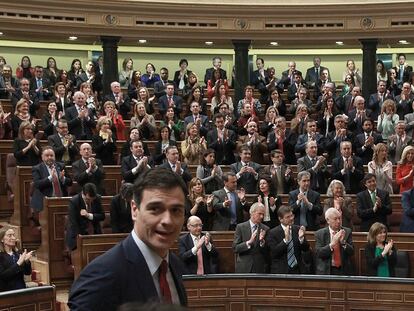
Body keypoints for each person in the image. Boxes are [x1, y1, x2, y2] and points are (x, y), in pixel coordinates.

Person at [68, 168, 188, 309]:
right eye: (155, 209)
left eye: (176, 210)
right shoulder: (102, 275)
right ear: (134, 210)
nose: (167, 221)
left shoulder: (176, 265)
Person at [266, 205, 310, 274]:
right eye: (288, 217)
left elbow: (306, 248)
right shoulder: (272, 233)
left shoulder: (297, 229)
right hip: (281, 271)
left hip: (298, 270)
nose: (291, 218)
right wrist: (285, 240)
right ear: (280, 219)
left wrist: (301, 239)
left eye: (292, 215)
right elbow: (274, 253)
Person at [30, 147, 72, 212]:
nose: (49, 157)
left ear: (54, 157)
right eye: (47, 156)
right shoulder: (37, 168)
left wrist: (63, 178)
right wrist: (50, 178)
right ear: (42, 157)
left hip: (61, 199)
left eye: (51, 155)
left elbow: (70, 182)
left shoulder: (61, 166)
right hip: (44, 200)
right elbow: (37, 184)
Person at [66, 183, 105, 251]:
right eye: (89, 199)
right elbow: (74, 223)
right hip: (78, 235)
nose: (91, 201)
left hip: (95, 233)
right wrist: (82, 239)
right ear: (84, 194)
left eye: (93, 199)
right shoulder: (74, 201)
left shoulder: (97, 198)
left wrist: (89, 215)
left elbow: (102, 216)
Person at [315, 208, 355, 276]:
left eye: (339, 218)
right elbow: (319, 253)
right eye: (335, 219)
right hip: (327, 271)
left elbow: (352, 252)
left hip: (344, 270)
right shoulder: (320, 233)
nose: (338, 221)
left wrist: (343, 242)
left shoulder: (347, 231)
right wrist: (332, 244)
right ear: (328, 220)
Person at [232, 203, 268, 273]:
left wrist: (262, 242)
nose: (261, 216)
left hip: (259, 268)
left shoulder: (265, 229)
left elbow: (267, 252)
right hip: (243, 267)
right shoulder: (240, 227)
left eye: (263, 214)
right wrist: (248, 242)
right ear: (252, 213)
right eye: (259, 214)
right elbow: (235, 248)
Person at [0, 227, 33, 292]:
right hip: (7, 292)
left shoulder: (18, 254)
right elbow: (3, 276)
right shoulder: (1, 256)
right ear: (2, 239)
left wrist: (26, 261)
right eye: (10, 235)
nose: (13, 238)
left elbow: (28, 272)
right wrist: (18, 263)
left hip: (21, 289)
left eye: (13, 235)